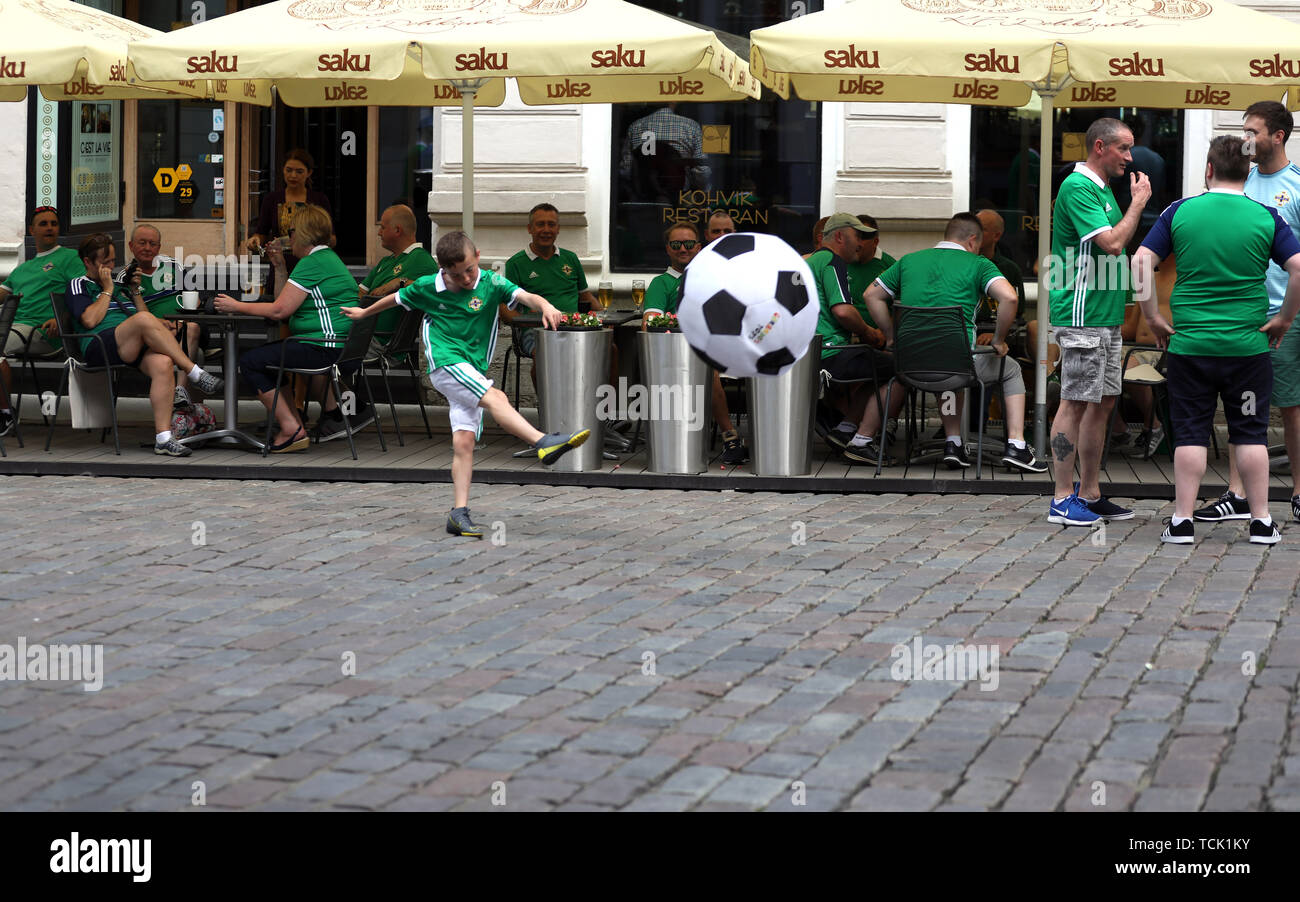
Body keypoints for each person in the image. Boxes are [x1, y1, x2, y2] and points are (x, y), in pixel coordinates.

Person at [341, 230, 590, 538]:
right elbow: (395, 298)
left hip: (473, 369)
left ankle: (458, 513)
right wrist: (365, 311)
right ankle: (542, 442)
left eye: (470, 270)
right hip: (446, 364)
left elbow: (526, 296)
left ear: (478, 258)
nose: (467, 279)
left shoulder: (491, 283)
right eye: (457, 275)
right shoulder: (427, 287)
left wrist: (546, 306)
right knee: (496, 398)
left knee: (463, 443)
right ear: (443, 270)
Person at [1133, 135, 1300, 545]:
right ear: (1248, 172)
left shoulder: (1180, 212)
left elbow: (1140, 261)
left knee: (1190, 432)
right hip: (1247, 349)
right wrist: (1282, 319)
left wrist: (1153, 316)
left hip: (1190, 348)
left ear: (1208, 170)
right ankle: (1261, 521)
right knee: (1250, 433)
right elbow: (1298, 269)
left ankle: (1182, 520)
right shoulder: (1266, 215)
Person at [863, 212, 1047, 473]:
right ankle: (1016, 444)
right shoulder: (978, 264)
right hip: (958, 365)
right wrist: (998, 340)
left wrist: (891, 334)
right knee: (1010, 369)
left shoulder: (909, 261)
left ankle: (953, 442)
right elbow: (1010, 298)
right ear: (972, 240)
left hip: (909, 366)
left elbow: (871, 295)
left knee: (949, 372)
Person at [1198, 100, 1300, 525]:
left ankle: (1298, 491)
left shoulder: (1295, 185)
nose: (1245, 140)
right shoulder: (1242, 178)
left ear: (1277, 136)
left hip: (1285, 313)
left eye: (1252, 132)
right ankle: (1237, 493)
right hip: (1242, 314)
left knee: (1291, 406)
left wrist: (1291, 315)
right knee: (1246, 406)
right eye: (1242, 131)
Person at [1046, 117, 1150, 527]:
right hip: (1082, 313)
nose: (1130, 157)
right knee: (1074, 401)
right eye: (1124, 149)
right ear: (1100, 147)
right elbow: (1112, 242)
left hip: (1103, 315)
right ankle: (1060, 498)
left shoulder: (1103, 187)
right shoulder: (1078, 186)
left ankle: (1089, 493)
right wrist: (1139, 202)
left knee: (1104, 403)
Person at [65, 234, 223, 457]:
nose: (110, 266)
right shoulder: (79, 285)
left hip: (129, 344)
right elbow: (90, 320)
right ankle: (194, 371)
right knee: (143, 321)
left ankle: (163, 438)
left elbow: (141, 317)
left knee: (163, 362)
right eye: (105, 262)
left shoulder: (120, 287)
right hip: (99, 344)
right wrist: (108, 289)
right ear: (88, 262)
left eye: (112, 261)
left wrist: (137, 293)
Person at [215, 205, 352, 453]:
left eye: (291, 232)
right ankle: (293, 425)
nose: (289, 239)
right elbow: (283, 302)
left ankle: (291, 427)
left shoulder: (313, 263)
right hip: (331, 345)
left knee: (251, 362)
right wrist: (279, 267)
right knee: (267, 359)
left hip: (323, 347)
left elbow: (279, 311)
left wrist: (236, 305)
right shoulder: (324, 259)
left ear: (303, 233)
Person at [642, 222, 748, 464]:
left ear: (699, 248)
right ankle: (731, 438)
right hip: (676, 356)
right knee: (706, 370)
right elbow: (650, 323)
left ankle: (768, 441)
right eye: (676, 244)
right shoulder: (662, 283)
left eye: (689, 244)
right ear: (668, 249)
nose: (683, 249)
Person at [808, 212, 897, 465]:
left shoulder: (813, 261)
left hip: (812, 351)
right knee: (900, 368)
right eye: (856, 236)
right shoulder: (832, 261)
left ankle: (845, 429)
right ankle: (861, 441)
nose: (859, 243)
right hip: (829, 351)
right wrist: (870, 334)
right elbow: (843, 311)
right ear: (839, 236)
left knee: (880, 367)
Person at [0, 205, 84, 436]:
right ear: (32, 230)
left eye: (53, 224)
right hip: (13, 328)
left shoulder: (69, 258)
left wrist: (62, 317)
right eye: (44, 224)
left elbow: (81, 294)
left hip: (44, 332)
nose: (49, 228)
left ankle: (5, 413)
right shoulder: (23, 268)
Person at [116, 224, 204, 407]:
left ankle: (180, 393)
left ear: (159, 247)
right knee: (196, 350)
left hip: (185, 326)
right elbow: (131, 318)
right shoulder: (125, 277)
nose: (147, 248)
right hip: (154, 336)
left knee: (192, 327)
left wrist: (182, 320)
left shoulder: (173, 265)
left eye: (152, 244)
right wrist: (161, 324)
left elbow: (194, 299)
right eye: (142, 243)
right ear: (131, 246)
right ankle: (186, 408)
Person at [503, 203, 596, 357]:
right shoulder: (515, 264)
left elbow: (586, 297)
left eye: (551, 224)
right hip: (536, 331)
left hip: (575, 327)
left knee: (609, 350)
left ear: (558, 229)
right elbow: (504, 309)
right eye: (540, 224)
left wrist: (606, 316)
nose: (546, 230)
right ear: (530, 229)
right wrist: (525, 321)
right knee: (545, 357)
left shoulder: (570, 258)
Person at [247, 149, 333, 274]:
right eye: (289, 170)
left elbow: (331, 238)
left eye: (299, 171)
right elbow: (261, 232)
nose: (293, 175)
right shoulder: (271, 199)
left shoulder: (319, 199)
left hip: (311, 265)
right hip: (280, 262)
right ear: (282, 170)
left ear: (309, 173)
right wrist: (255, 240)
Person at [620, 103, 710, 192]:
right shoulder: (691, 127)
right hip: (679, 198)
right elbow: (702, 172)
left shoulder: (635, 127)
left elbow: (626, 171)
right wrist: (703, 190)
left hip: (644, 197)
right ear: (674, 101)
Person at [846, 214, 895, 327]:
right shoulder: (842, 261)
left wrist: (885, 334)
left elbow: (900, 308)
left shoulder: (890, 266)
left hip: (879, 338)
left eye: (862, 237)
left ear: (875, 242)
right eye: (854, 236)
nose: (856, 242)